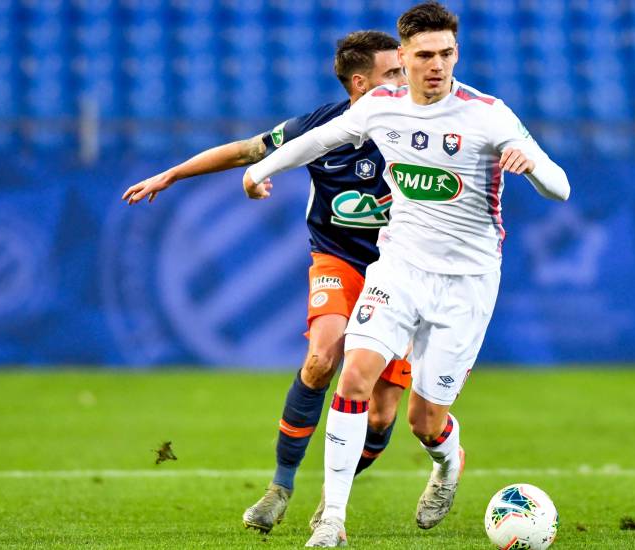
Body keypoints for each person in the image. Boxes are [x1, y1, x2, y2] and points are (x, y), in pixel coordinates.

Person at [242, 2, 570, 546]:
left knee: (423, 420)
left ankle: (446, 463)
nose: (436, 65)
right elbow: (320, 140)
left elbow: (561, 186)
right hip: (398, 269)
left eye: (446, 53)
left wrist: (533, 166)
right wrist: (259, 170)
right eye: (424, 55)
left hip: (466, 284)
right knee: (352, 375)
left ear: (455, 53)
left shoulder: (488, 115)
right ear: (406, 57)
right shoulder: (382, 107)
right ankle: (332, 521)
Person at [122, 31, 411, 534]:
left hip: (407, 271)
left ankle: (332, 496)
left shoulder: (423, 125)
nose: (404, 81)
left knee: (383, 417)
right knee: (322, 357)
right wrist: (170, 175)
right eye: (393, 73)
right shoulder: (321, 128)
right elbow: (244, 152)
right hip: (340, 259)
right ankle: (279, 487)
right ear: (360, 84)